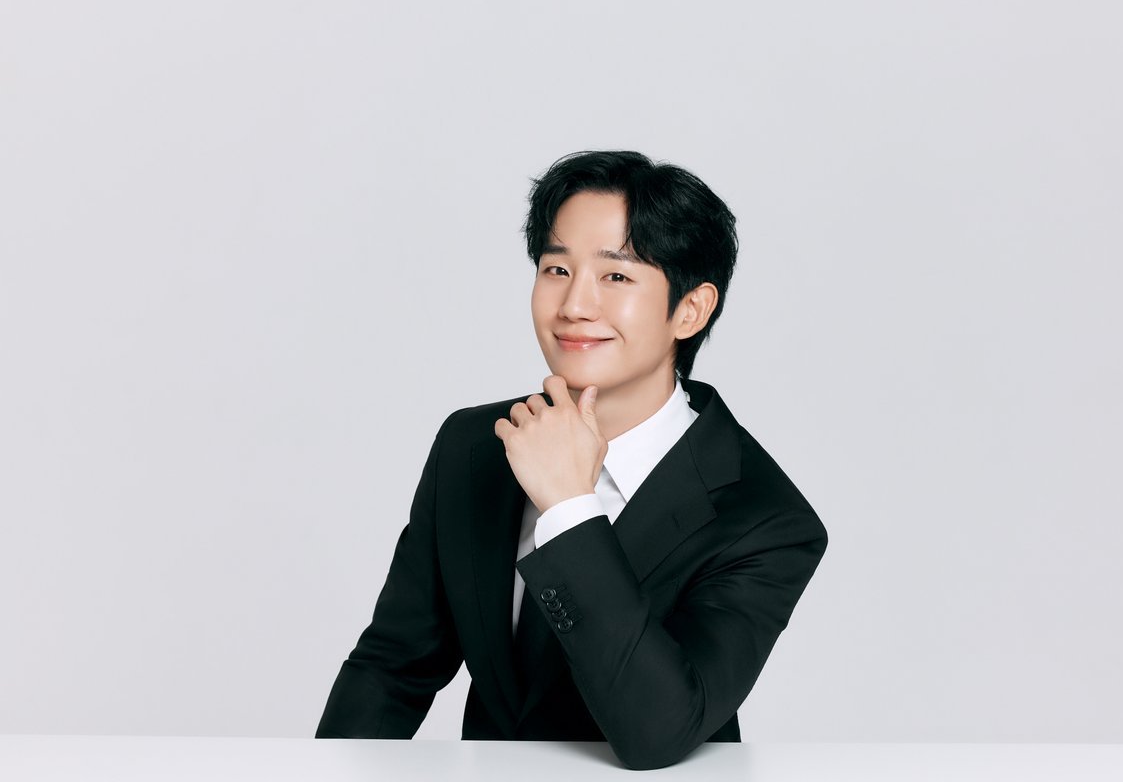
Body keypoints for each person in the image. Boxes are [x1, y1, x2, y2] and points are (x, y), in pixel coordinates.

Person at [315, 150, 828, 770]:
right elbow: (393, 667)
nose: (574, 305)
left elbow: (662, 733)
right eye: (556, 269)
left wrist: (569, 508)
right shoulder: (474, 446)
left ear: (690, 309)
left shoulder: (766, 519)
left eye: (616, 277)